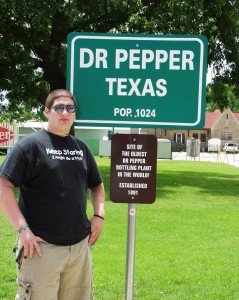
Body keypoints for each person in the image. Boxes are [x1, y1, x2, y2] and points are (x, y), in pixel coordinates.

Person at [0, 89, 105, 300]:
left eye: (70, 108)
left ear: (75, 113)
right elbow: (3, 185)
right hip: (41, 248)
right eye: (58, 107)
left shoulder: (81, 148)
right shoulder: (29, 146)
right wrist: (22, 229)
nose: (64, 112)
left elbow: (96, 185)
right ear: (47, 111)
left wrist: (99, 215)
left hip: (78, 249)